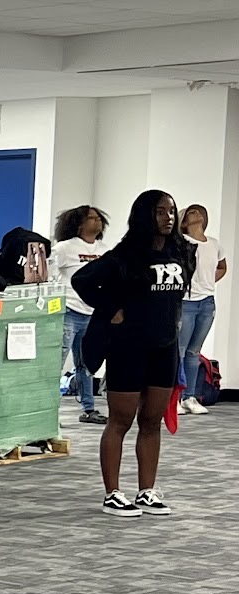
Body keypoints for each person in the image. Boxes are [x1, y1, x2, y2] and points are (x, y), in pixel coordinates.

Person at [74, 190, 194, 517]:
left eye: (172, 211)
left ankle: (147, 491)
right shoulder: (124, 255)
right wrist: (111, 308)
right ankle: (113, 493)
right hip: (129, 346)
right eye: (160, 211)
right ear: (145, 215)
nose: (168, 217)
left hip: (165, 347)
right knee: (121, 420)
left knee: (152, 421)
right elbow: (82, 280)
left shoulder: (182, 253)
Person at [51, 205, 110, 424]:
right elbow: (50, 276)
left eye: (99, 218)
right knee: (57, 363)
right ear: (78, 224)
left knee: (87, 363)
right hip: (69, 310)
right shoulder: (64, 248)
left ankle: (89, 408)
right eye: (91, 218)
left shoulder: (105, 250)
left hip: (93, 313)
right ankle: (50, 412)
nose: (97, 221)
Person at [178, 203, 226, 415]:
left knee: (193, 352)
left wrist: (208, 282)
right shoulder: (181, 242)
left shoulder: (214, 244)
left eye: (199, 211)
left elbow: (222, 266)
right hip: (186, 302)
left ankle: (189, 396)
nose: (196, 213)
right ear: (184, 221)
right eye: (191, 212)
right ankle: (174, 397)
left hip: (207, 302)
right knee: (179, 351)